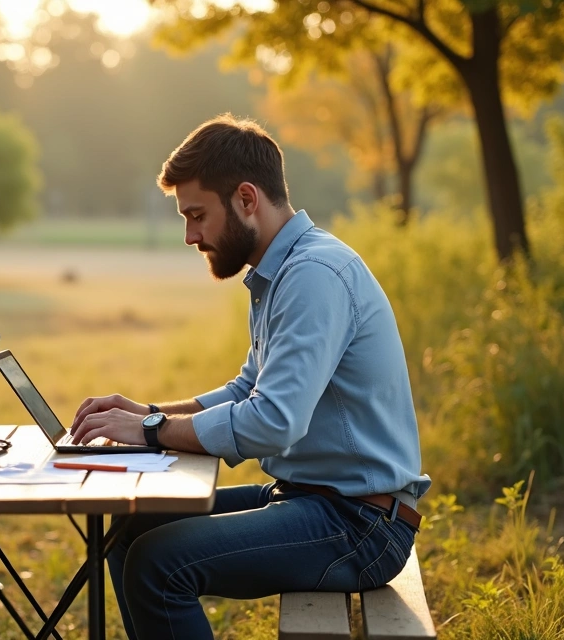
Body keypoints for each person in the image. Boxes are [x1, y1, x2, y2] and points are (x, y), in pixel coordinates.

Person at [68, 114, 431, 640]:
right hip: (311, 500)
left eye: (197, 215)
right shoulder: (280, 271)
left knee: (158, 563)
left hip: (360, 525)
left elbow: (272, 422)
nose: (190, 235)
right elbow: (248, 390)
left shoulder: (313, 275)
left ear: (245, 198)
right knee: (131, 526)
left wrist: (149, 433)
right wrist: (149, 413)